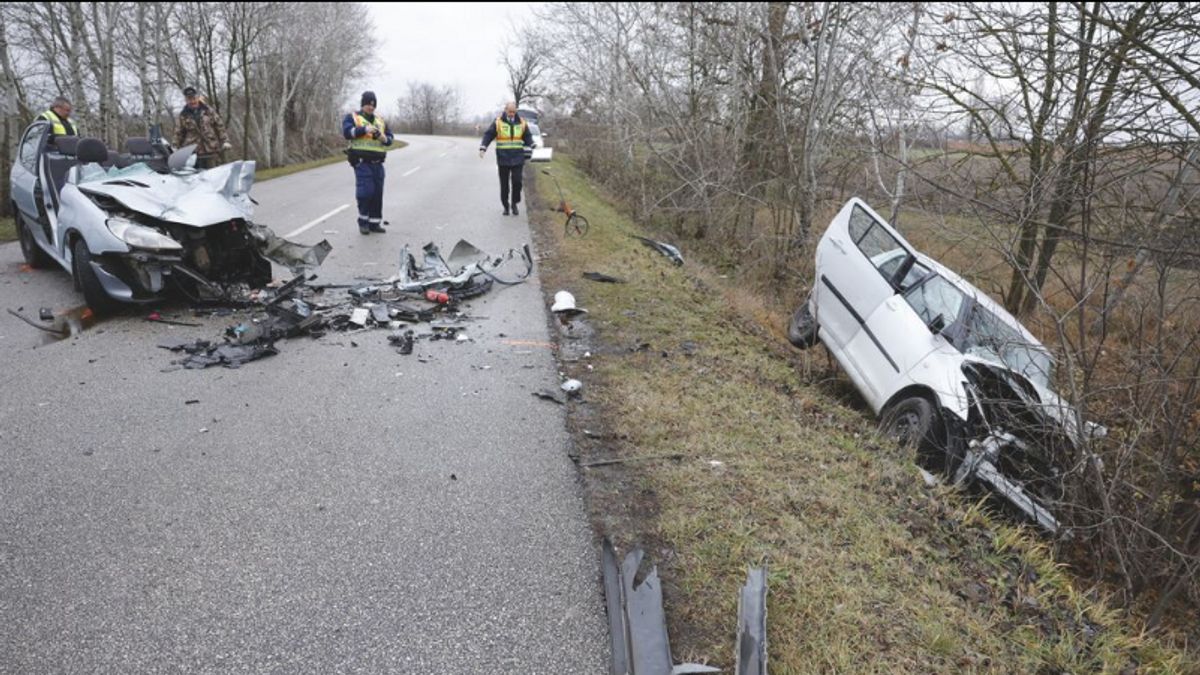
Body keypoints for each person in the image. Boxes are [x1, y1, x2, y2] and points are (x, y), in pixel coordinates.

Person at [342, 91, 395, 234]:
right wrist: (364, 129)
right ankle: (363, 222)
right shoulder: (352, 117)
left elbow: (390, 139)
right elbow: (347, 133)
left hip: (378, 163)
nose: (371, 108)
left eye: (373, 105)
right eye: (368, 105)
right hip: (362, 162)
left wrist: (383, 138)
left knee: (377, 193)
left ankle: (375, 223)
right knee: (366, 192)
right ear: (363, 105)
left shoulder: (380, 120)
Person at [478, 101, 534, 216]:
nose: (512, 114)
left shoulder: (522, 123)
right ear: (505, 110)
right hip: (503, 158)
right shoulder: (498, 122)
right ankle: (506, 206)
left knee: (517, 182)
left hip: (518, 157)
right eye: (510, 111)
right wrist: (483, 147)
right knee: (504, 185)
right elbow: (488, 135)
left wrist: (532, 144)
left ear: (516, 111)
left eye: (514, 112)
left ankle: (514, 203)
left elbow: (527, 136)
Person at [172, 86, 230, 169]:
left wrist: (225, 141)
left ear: (197, 98)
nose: (192, 101)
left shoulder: (208, 111)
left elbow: (219, 126)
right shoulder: (183, 115)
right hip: (193, 153)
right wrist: (175, 147)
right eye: (189, 99)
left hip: (211, 149)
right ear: (186, 100)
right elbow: (178, 133)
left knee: (214, 174)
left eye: (194, 98)